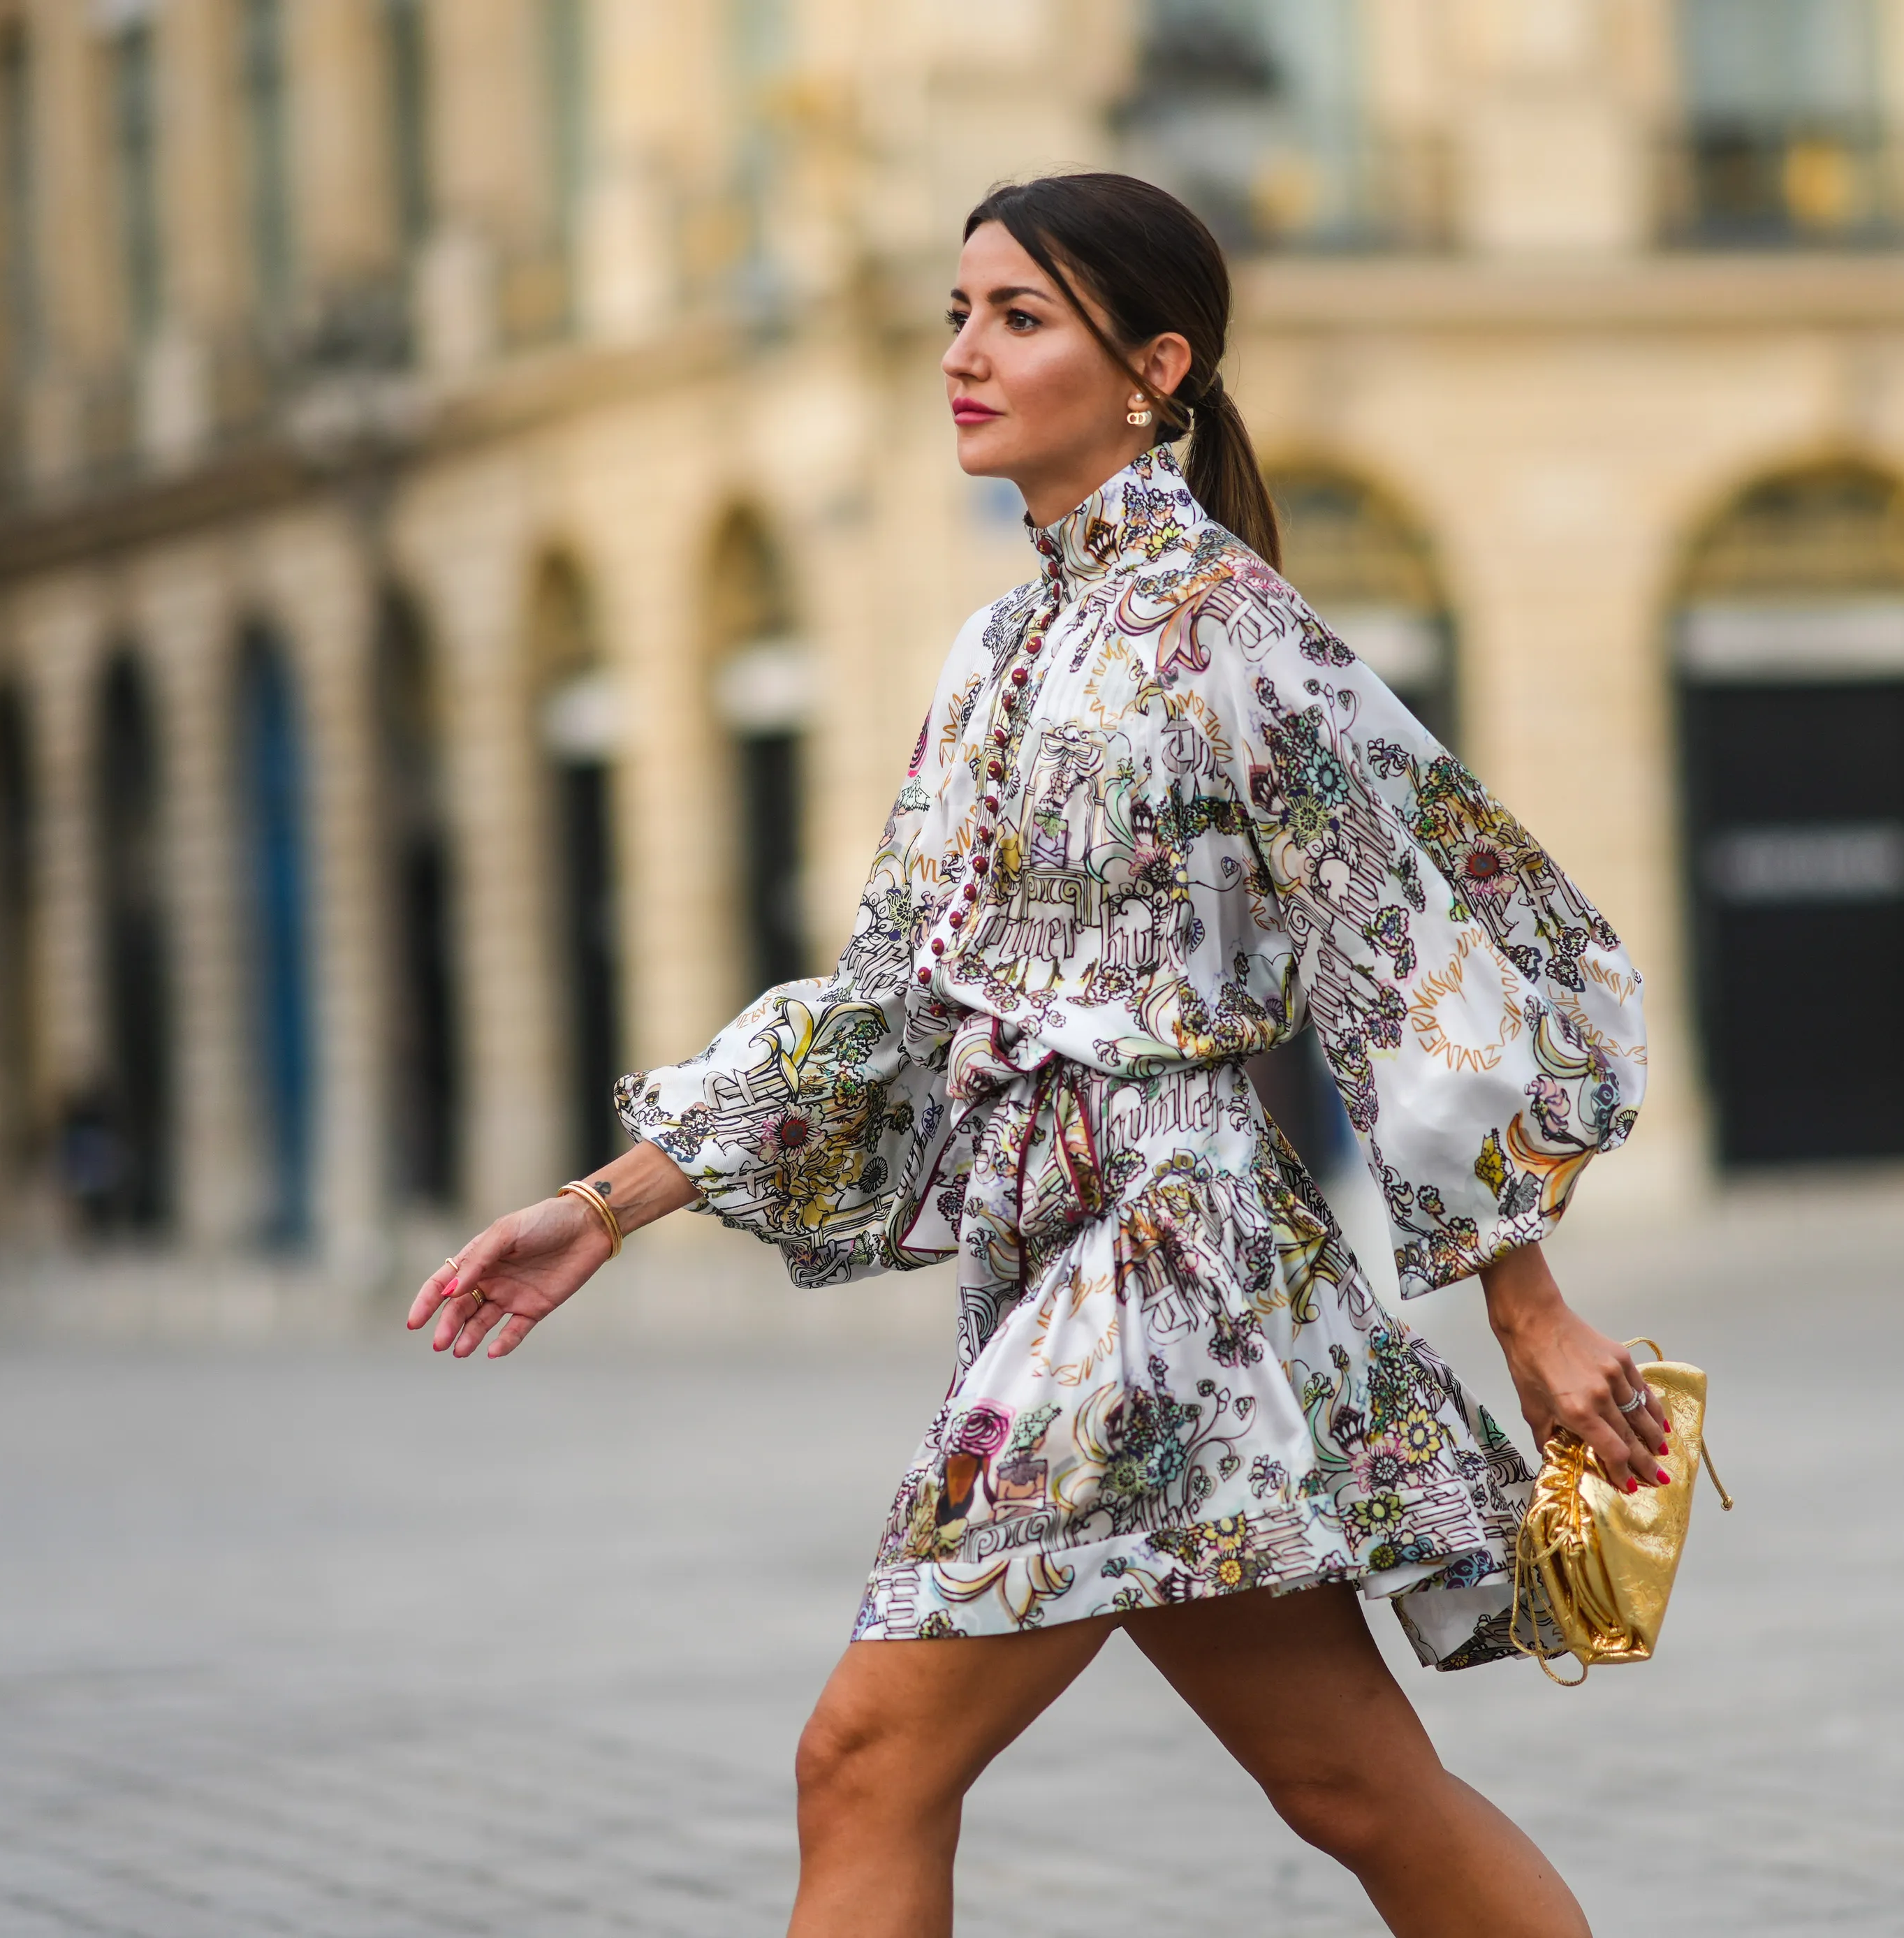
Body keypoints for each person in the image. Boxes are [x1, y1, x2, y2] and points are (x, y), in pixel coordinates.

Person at [410, 172, 1660, 1938]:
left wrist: (1526, 1307)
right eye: (955, 315)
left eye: (1018, 317)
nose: (964, 356)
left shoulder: (1234, 633)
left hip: (1162, 1261)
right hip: (1055, 1266)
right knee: (1354, 1789)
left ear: (1157, 367)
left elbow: (1417, 950)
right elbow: (890, 1004)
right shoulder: (996, 646)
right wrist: (606, 1205)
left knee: (862, 1760)